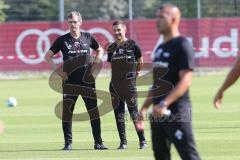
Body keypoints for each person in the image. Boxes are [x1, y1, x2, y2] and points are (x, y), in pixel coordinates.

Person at [137, 3, 201, 160]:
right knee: (160, 155)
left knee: (188, 155)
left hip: (177, 111)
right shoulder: (160, 49)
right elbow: (157, 84)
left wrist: (165, 103)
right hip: (158, 114)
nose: (156, 21)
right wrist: (144, 108)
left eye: (161, 17)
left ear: (173, 19)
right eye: (156, 17)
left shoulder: (182, 45)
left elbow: (186, 80)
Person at [45, 11, 108, 150]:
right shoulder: (62, 40)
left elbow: (100, 50)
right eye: (70, 22)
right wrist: (58, 71)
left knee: (93, 112)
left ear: (80, 22)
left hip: (87, 81)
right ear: (68, 23)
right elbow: (48, 56)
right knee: (67, 113)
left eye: (75, 22)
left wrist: (96, 63)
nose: (72, 24)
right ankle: (68, 144)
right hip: (69, 81)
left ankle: (98, 143)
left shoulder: (88, 37)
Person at [107, 20, 147, 149]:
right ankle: (123, 143)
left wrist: (137, 72)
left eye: (119, 29)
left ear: (125, 30)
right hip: (114, 86)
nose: (117, 32)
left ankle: (143, 141)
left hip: (129, 85)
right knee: (118, 115)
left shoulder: (133, 45)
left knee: (134, 113)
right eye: (114, 30)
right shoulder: (111, 48)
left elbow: (140, 61)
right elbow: (112, 65)